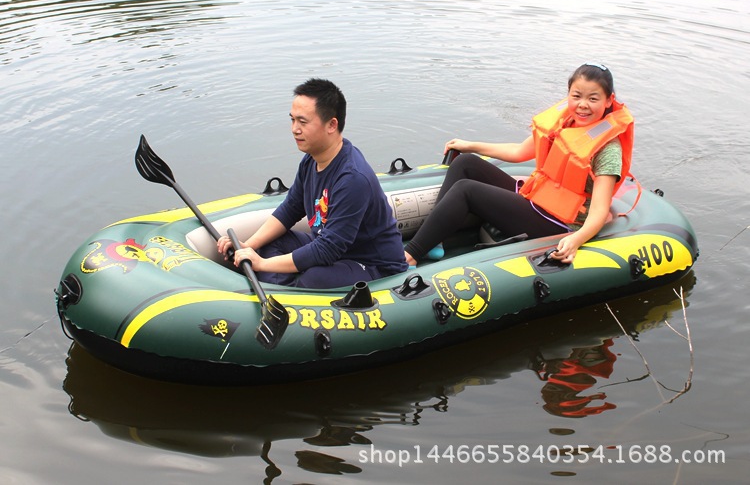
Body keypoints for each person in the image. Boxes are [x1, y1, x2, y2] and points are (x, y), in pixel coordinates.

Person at [404, 63, 634, 266]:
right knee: (466, 163)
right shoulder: (565, 124)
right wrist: (470, 145)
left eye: (593, 98)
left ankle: (411, 254)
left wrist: (575, 240)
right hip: (537, 198)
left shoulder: (607, 149)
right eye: (576, 96)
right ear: (568, 96)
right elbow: (518, 152)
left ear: (608, 101)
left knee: (466, 190)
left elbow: (600, 210)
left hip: (559, 222)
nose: (583, 105)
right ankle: (435, 240)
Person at [218, 78, 408, 288]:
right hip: (333, 251)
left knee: (315, 278)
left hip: (373, 265)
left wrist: (262, 265)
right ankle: (281, 292)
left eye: (303, 122)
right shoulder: (311, 161)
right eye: (292, 120)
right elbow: (290, 210)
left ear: (332, 125)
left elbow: (328, 249)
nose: (294, 129)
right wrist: (249, 246)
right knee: (271, 241)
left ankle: (285, 295)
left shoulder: (353, 177)